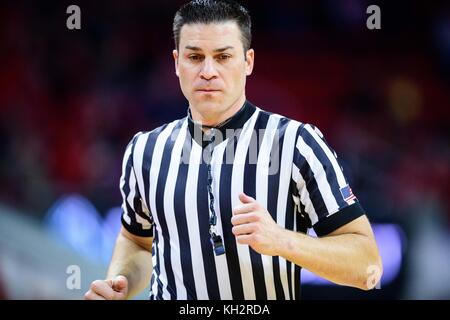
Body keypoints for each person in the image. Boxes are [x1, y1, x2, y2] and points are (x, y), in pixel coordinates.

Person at [85, 0, 382, 300]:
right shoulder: (145, 150)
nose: (208, 71)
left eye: (223, 56)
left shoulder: (296, 143)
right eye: (195, 57)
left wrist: (282, 241)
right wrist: (120, 282)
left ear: (248, 61)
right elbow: (137, 241)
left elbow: (367, 266)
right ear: (177, 62)